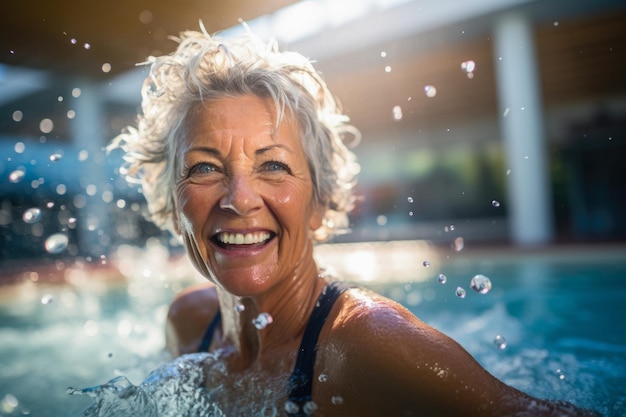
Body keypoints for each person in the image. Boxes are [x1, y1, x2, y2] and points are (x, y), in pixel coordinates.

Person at [109, 29, 600, 417]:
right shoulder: (189, 325)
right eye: (205, 168)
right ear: (174, 207)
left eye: (273, 165)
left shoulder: (367, 343)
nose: (239, 199)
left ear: (320, 201)